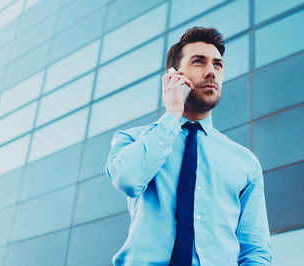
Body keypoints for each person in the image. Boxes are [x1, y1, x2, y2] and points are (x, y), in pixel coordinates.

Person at [106, 26, 272, 265]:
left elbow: (255, 250)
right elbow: (128, 180)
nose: (211, 72)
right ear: (173, 75)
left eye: (218, 64)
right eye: (199, 62)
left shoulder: (245, 163)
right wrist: (173, 113)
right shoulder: (134, 139)